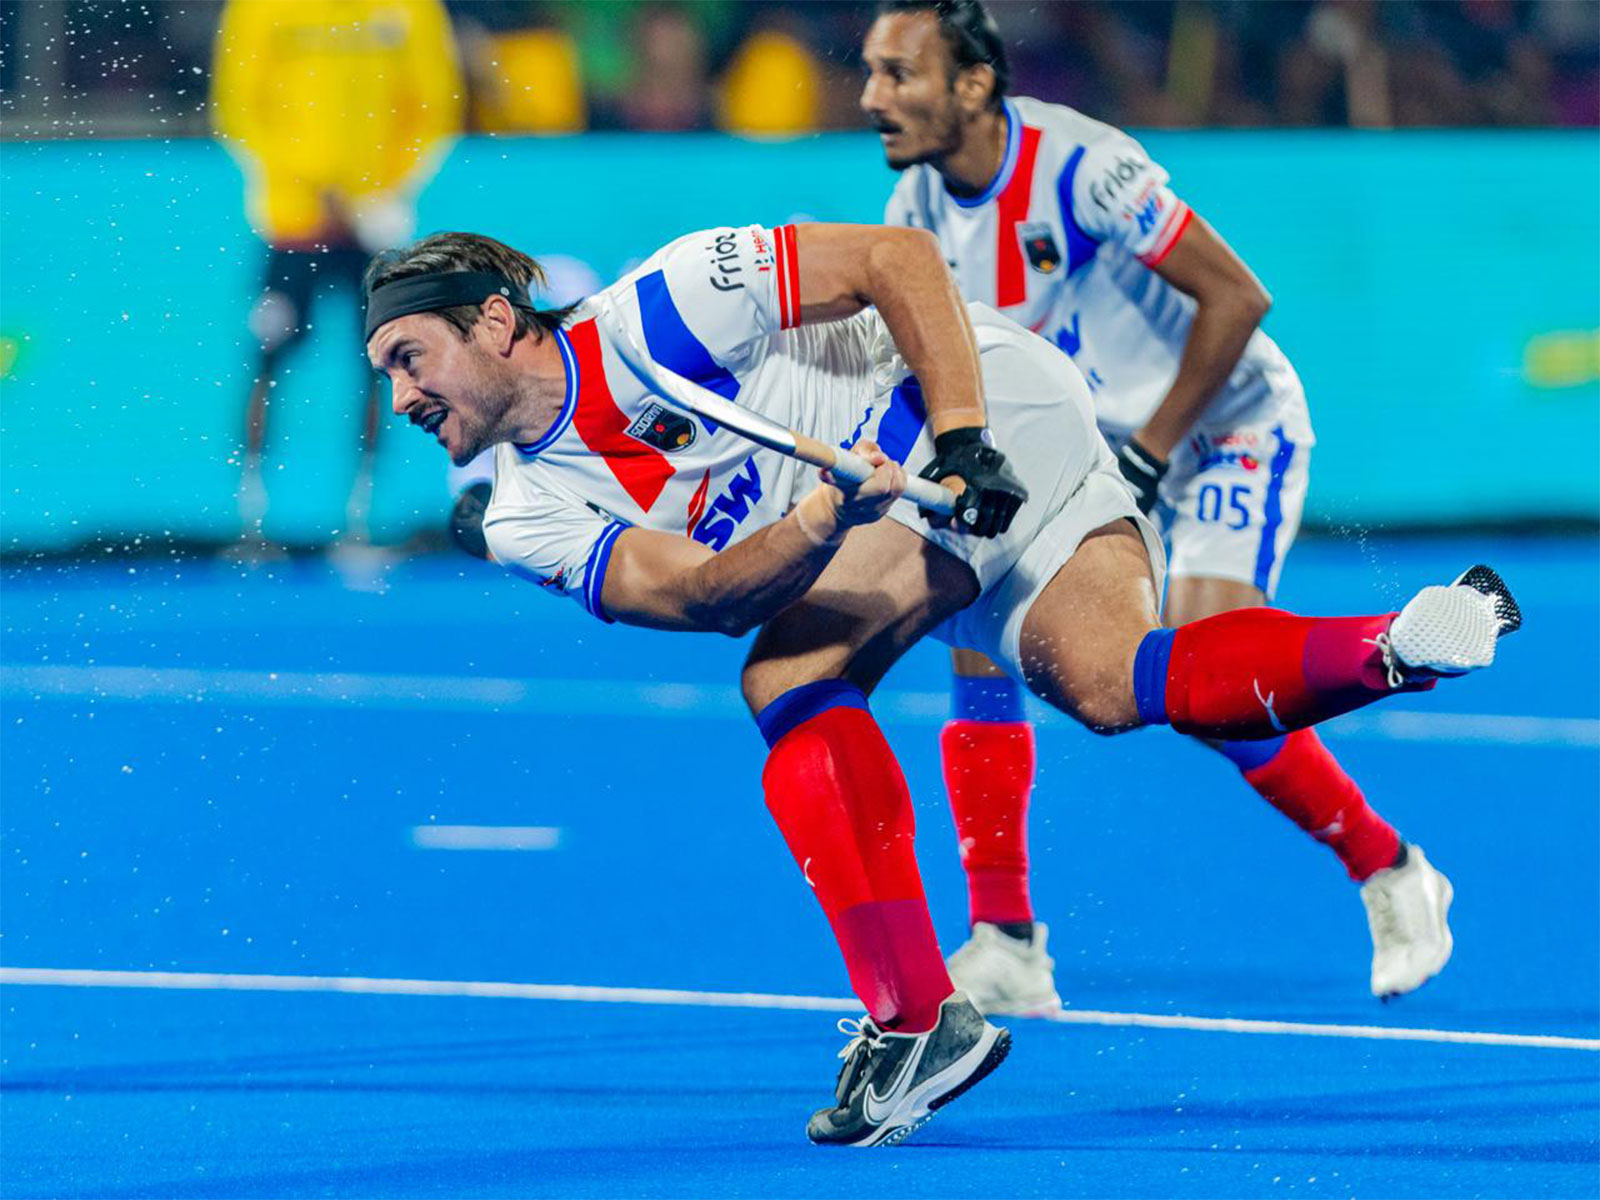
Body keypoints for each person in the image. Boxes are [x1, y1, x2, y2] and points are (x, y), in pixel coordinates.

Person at [361, 222, 1516, 1146]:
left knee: (792, 680)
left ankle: (917, 1020)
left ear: (496, 320)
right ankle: (1397, 646)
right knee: (1114, 683)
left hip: (974, 410)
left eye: (409, 358)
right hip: (922, 501)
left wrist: (959, 438)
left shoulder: (663, 305)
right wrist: (824, 515)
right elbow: (706, 594)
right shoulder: (525, 517)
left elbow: (898, 260)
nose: (399, 398)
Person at [859, 0, 1453, 1014]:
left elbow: (1238, 299)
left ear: (973, 85)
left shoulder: (1082, 167)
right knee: (975, 628)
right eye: (870, 71)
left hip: (1220, 428)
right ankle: (1006, 942)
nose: (872, 96)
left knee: (1206, 673)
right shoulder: (912, 210)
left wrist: (1150, 452)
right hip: (1086, 451)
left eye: (898, 74)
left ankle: (1388, 866)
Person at [212, 0, 462, 552]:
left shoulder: (411, 9)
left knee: (380, 364)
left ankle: (360, 522)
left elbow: (434, 107)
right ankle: (251, 522)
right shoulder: (259, 8)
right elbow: (239, 107)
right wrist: (310, 182)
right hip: (291, 223)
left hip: (371, 226)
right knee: (268, 362)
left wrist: (375, 190)